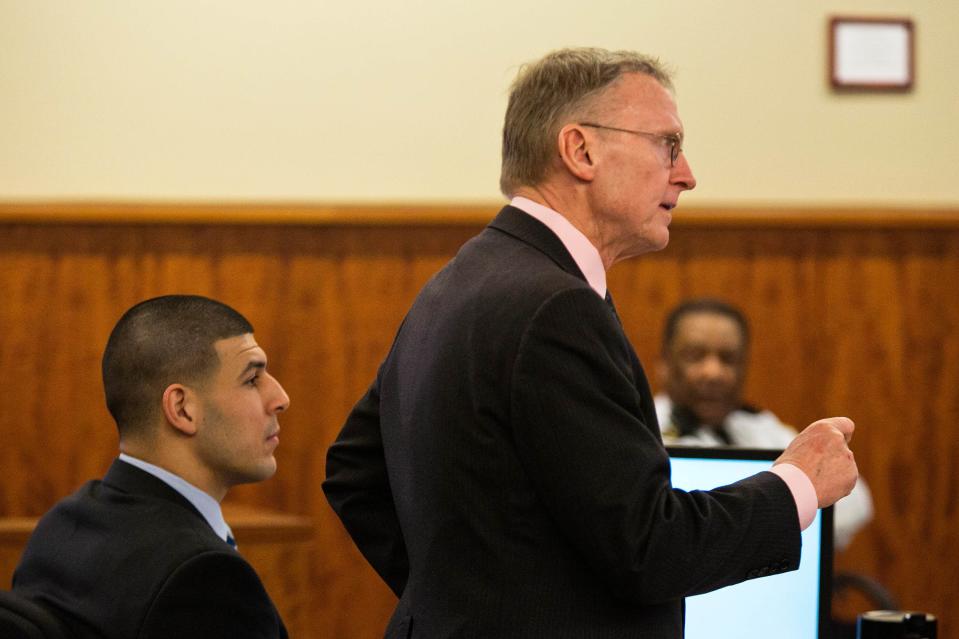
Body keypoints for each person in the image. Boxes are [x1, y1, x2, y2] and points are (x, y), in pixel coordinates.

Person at [324, 47, 858, 639]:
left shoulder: (461, 278)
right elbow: (650, 546)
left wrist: (464, 605)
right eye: (668, 145)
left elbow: (354, 471)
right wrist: (797, 485)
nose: (686, 175)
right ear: (581, 150)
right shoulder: (555, 306)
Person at [13, 295, 290, 639]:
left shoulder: (66, 521)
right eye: (252, 379)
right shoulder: (206, 578)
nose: (280, 398)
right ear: (182, 408)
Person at [654, 297, 873, 550]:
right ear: (665, 364)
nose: (713, 372)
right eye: (695, 356)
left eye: (728, 358)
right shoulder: (642, 430)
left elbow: (855, 502)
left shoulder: (759, 427)